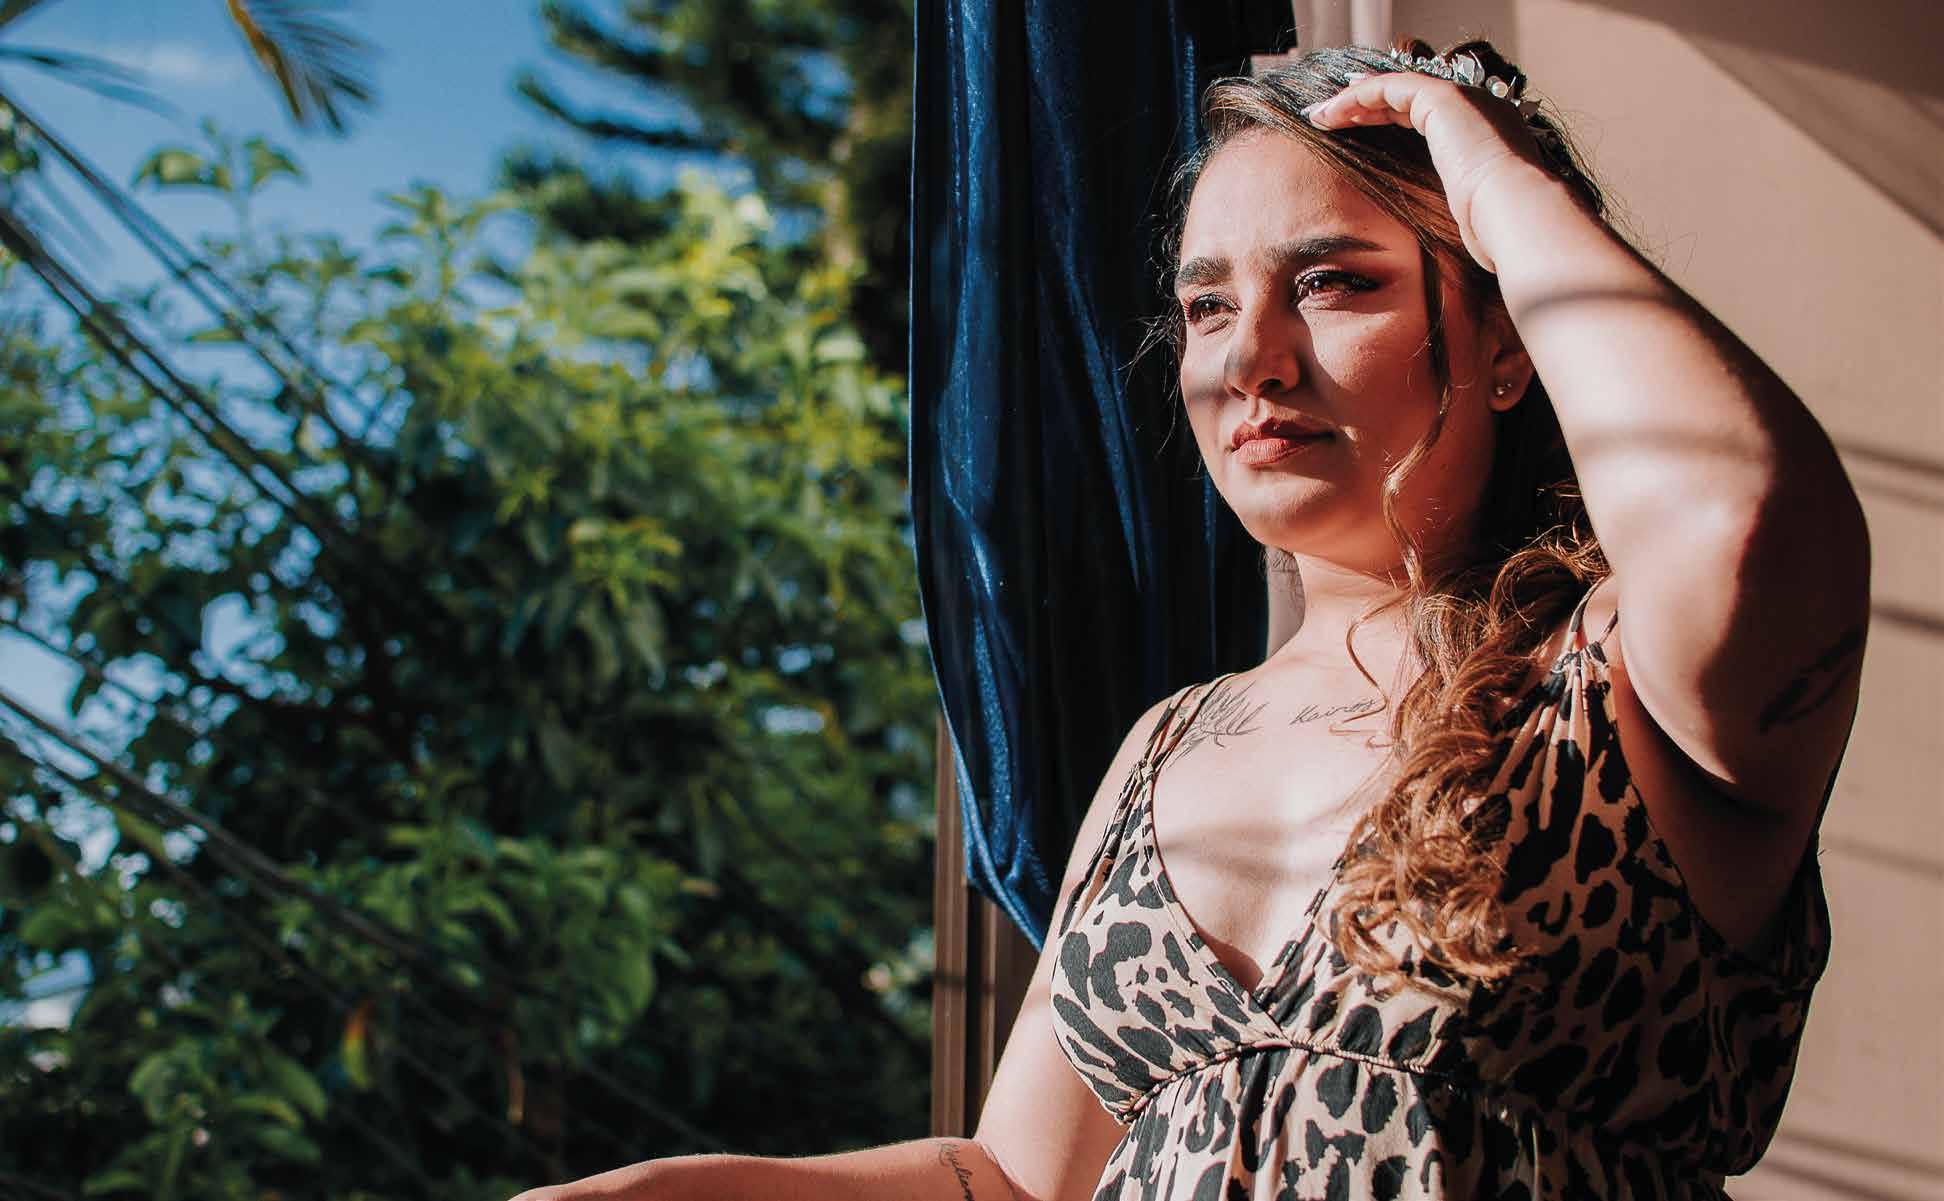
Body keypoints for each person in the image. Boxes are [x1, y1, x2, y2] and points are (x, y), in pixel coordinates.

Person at [513, 37, 1867, 1201]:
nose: (1250, 359)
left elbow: (1739, 510)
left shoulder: (1618, 680)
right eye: (1208, 305)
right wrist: (659, 1192)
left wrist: (1493, 172)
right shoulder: (1167, 747)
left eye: (1334, 283)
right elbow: (1015, 1180)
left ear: (1510, 338)